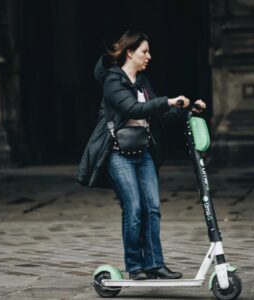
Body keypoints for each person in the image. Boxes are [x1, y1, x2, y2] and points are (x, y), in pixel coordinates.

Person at [76, 31, 206, 280]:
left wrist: (187, 109)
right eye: (144, 51)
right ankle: (135, 266)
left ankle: (155, 263)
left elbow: (158, 115)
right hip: (118, 154)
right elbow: (132, 108)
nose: (149, 56)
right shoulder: (113, 81)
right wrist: (168, 101)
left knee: (152, 208)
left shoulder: (143, 82)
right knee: (134, 208)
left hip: (143, 151)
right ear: (130, 52)